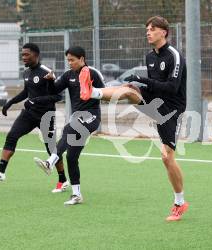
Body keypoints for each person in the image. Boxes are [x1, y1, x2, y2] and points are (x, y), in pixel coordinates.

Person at [83, 16, 188, 221]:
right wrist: (140, 85)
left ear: (164, 32)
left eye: (152, 29)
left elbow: (172, 88)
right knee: (129, 90)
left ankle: (179, 202)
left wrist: (142, 80)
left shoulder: (174, 55)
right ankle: (92, 92)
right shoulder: (150, 56)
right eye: (147, 29)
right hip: (155, 100)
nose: (148, 32)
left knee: (167, 158)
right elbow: (153, 85)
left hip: (171, 109)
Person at [0, 43, 68, 193]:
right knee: (12, 136)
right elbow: (26, 92)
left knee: (51, 148)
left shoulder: (47, 72)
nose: (23, 57)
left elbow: (57, 96)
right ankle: (0, 171)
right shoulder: (26, 73)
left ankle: (62, 179)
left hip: (46, 116)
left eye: (26, 55)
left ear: (36, 55)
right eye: (22, 55)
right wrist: (10, 102)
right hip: (29, 114)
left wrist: (37, 100)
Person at [33, 46, 104, 205]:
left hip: (91, 116)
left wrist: (91, 90)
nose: (69, 63)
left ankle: (50, 162)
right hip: (76, 118)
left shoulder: (92, 73)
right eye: (68, 60)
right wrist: (50, 81)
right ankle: (76, 194)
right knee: (71, 157)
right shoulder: (68, 75)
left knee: (68, 127)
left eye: (72, 60)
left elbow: (105, 93)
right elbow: (55, 91)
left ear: (82, 59)